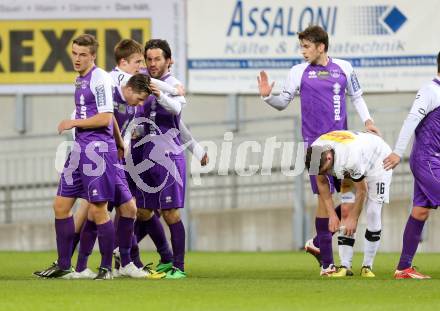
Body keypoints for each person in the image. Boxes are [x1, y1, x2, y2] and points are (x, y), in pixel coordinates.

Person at [257, 25, 379, 276]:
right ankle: (327, 264)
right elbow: (283, 103)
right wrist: (268, 97)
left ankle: (317, 241)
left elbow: (357, 97)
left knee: (353, 194)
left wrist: (368, 121)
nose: (302, 52)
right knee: (324, 200)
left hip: (342, 144)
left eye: (306, 46)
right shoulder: (298, 72)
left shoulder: (344, 67)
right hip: (314, 147)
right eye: (301, 47)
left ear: (321, 47)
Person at [36, 34, 117, 280]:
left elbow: (105, 117)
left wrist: (73, 122)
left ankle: (106, 268)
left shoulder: (100, 77)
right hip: (79, 148)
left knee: (99, 209)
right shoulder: (79, 79)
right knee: (60, 206)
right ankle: (64, 264)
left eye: (83, 54)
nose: (77, 58)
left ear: (93, 55)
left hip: (98, 150)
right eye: (74, 53)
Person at [132, 39, 188, 279]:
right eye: (149, 59)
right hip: (146, 156)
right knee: (143, 211)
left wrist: (163, 93)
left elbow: (176, 109)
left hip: (168, 155)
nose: (152, 63)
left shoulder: (174, 84)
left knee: (170, 213)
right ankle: (137, 258)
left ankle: (179, 267)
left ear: (169, 60)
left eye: (157, 59)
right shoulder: (145, 82)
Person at [383, 51, 440, 279]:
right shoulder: (430, 91)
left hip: (435, 160)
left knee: (420, 211)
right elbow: (411, 120)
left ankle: (403, 268)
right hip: (427, 160)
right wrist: (397, 153)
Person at [306, 130, 393, 276]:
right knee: (345, 210)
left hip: (378, 163)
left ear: (328, 158)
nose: (325, 174)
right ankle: (345, 266)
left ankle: (367, 266)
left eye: (326, 170)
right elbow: (322, 183)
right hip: (353, 161)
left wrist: (354, 218)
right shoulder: (316, 151)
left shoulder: (350, 158)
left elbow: (362, 191)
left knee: (372, 211)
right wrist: (332, 215)